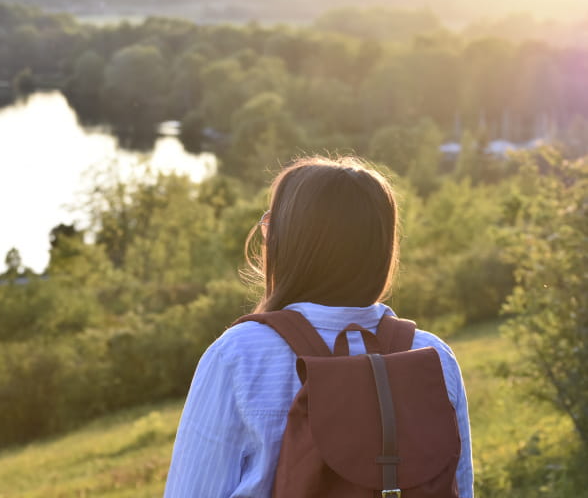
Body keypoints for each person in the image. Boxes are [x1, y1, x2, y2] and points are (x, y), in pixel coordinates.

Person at [163, 156, 473, 497]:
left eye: (270, 227)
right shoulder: (432, 357)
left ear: (290, 245)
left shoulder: (239, 356)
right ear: (381, 247)